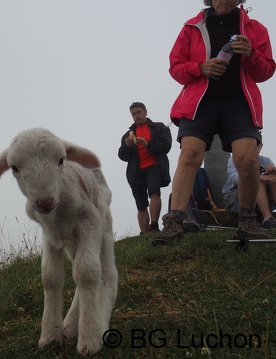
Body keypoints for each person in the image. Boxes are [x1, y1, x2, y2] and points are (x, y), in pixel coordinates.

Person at [152, 0, 276, 245]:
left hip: (239, 103)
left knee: (248, 159)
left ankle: (248, 221)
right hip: (200, 103)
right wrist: (201, 67)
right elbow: (176, 68)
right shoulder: (192, 27)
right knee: (189, 156)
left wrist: (251, 55)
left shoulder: (256, 29)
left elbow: (266, 71)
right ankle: (174, 222)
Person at [118, 102, 172, 235]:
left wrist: (148, 144)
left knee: (154, 193)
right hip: (135, 172)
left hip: (153, 166)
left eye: (139, 112)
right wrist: (127, 146)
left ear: (145, 112)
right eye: (133, 114)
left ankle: (153, 225)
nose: (136, 116)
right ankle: (144, 233)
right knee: (140, 204)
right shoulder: (128, 134)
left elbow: (166, 146)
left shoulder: (158, 128)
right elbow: (122, 156)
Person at [223, 140, 276, 228]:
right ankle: (268, 218)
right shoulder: (234, 159)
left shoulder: (266, 161)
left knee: (273, 179)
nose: (252, 149)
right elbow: (234, 179)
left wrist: (274, 172)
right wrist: (260, 177)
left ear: (261, 146)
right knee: (257, 181)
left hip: (260, 200)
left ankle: (268, 218)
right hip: (236, 198)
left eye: (256, 146)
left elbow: (272, 179)